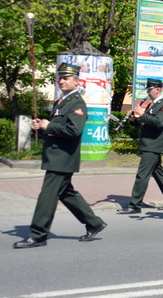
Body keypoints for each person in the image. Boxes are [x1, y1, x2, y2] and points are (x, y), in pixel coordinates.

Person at [13, 63, 107, 248]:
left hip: (63, 158)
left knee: (47, 196)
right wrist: (40, 125)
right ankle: (94, 223)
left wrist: (49, 126)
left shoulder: (77, 103)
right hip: (55, 156)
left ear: (76, 81)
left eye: (66, 78)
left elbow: (74, 130)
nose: (61, 81)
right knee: (66, 192)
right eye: (60, 78)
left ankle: (38, 235)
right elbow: (56, 126)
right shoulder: (61, 102)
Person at [118, 78, 163, 214]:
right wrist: (135, 119)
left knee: (142, 175)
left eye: (150, 89)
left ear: (158, 89)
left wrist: (142, 114)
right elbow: (147, 121)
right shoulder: (154, 104)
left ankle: (135, 205)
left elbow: (158, 122)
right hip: (149, 143)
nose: (148, 91)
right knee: (158, 173)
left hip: (154, 144)